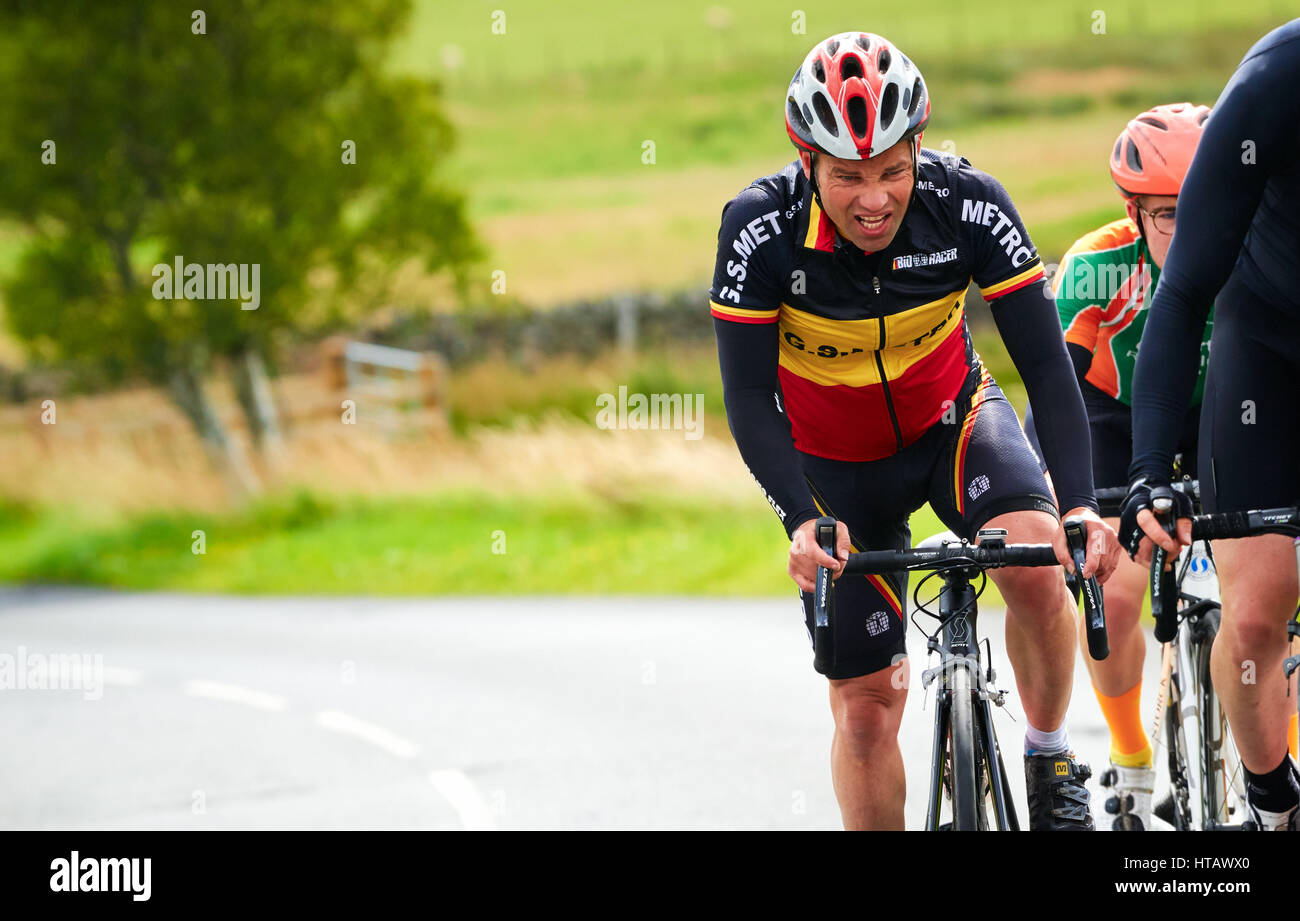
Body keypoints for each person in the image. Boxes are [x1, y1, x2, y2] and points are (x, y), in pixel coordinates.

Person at [709, 30, 1120, 830]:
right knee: (866, 712)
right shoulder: (759, 230)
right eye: (848, 176)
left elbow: (1047, 367)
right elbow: (749, 394)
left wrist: (1079, 505)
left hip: (952, 425)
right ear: (806, 162)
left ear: (919, 149)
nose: (874, 198)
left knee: (1037, 568)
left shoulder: (967, 203)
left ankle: (1047, 754)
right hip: (834, 469)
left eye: (893, 170)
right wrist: (800, 517)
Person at [1120, 18, 1300, 830]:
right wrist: (1151, 468)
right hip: (1269, 341)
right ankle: (1271, 802)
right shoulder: (1273, 83)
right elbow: (1184, 288)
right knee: (1258, 613)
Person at [1023, 103, 1213, 829]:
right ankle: (1133, 756)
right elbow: (1053, 391)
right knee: (1118, 589)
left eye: (1202, 208)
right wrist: (1058, 488)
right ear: (1133, 212)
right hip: (1111, 412)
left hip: (1216, 411)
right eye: (1168, 215)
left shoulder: (1254, 252)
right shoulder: (1094, 270)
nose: (1191, 230)